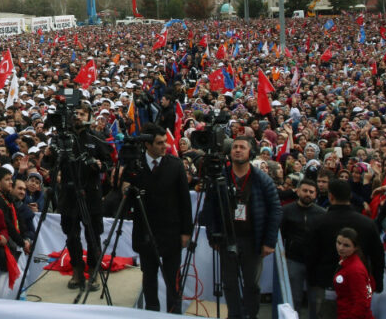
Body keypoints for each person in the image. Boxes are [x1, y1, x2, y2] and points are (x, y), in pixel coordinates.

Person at [201, 137, 283, 319]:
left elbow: (275, 210)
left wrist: (269, 241)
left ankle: (250, 315)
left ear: (250, 152)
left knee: (251, 285)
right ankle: (234, 315)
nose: (238, 150)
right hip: (226, 238)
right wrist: (212, 237)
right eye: (235, 147)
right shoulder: (220, 177)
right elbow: (209, 208)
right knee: (229, 283)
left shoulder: (263, 180)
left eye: (242, 147)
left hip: (252, 240)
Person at [42, 101, 113, 291]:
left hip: (91, 194)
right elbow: (48, 164)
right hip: (68, 193)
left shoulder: (96, 138)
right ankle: (77, 270)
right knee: (71, 236)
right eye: (76, 113)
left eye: (82, 113)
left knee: (93, 236)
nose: (78, 117)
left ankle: (93, 271)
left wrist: (100, 166)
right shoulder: (59, 139)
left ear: (89, 116)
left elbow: (109, 162)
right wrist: (48, 155)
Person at [123, 126, 192, 314]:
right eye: (160, 143)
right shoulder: (135, 165)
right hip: (145, 231)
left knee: (172, 279)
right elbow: (122, 193)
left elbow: (185, 201)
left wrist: (186, 232)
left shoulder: (175, 164)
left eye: (165, 142)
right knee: (149, 277)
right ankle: (151, 311)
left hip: (171, 232)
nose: (165, 146)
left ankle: (174, 312)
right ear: (147, 144)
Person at [306, 178, 384, 319]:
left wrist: (312, 280)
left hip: (326, 283)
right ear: (350, 196)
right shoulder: (367, 223)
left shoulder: (318, 222)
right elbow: (378, 256)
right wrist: (377, 283)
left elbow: (311, 254)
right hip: (356, 286)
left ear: (331, 196)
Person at [281, 178, 326, 319]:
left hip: (316, 263)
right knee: (294, 299)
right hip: (294, 260)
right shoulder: (287, 211)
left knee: (316, 301)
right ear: (298, 191)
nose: (308, 194)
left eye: (311, 192)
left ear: (315, 194)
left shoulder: (322, 213)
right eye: (305, 191)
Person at [333, 227, 374, 319]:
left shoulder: (355, 270)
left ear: (355, 247)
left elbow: (362, 302)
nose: (340, 248)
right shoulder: (346, 260)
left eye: (346, 245)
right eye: (338, 243)